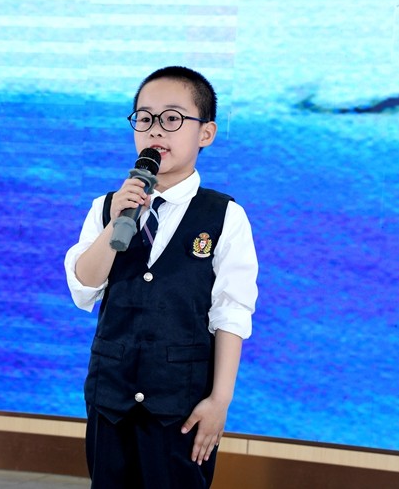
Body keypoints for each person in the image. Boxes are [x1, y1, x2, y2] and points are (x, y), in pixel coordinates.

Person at [64, 66, 258, 488]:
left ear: (206, 133)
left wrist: (219, 401)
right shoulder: (107, 207)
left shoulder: (224, 216)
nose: (155, 130)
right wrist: (116, 220)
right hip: (110, 400)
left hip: (181, 407)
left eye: (172, 118)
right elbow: (84, 287)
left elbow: (231, 313)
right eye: (145, 118)